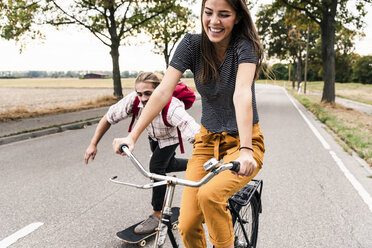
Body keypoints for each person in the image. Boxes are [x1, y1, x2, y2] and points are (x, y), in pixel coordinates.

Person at [112, 0, 265, 247]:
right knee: (187, 223)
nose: (214, 21)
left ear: (237, 18)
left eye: (224, 15)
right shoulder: (191, 45)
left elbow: (242, 93)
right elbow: (162, 93)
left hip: (243, 141)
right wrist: (133, 136)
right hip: (206, 142)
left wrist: (246, 150)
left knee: (210, 195)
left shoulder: (244, 47)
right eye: (208, 13)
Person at [84, 72, 200, 234]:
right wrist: (93, 144)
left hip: (170, 138)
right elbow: (108, 117)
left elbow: (193, 130)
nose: (143, 98)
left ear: (160, 91)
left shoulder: (172, 106)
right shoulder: (133, 100)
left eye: (148, 93)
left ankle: (157, 214)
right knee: (169, 165)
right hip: (153, 136)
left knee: (156, 168)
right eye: (140, 94)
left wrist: (207, 154)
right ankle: (195, 166)